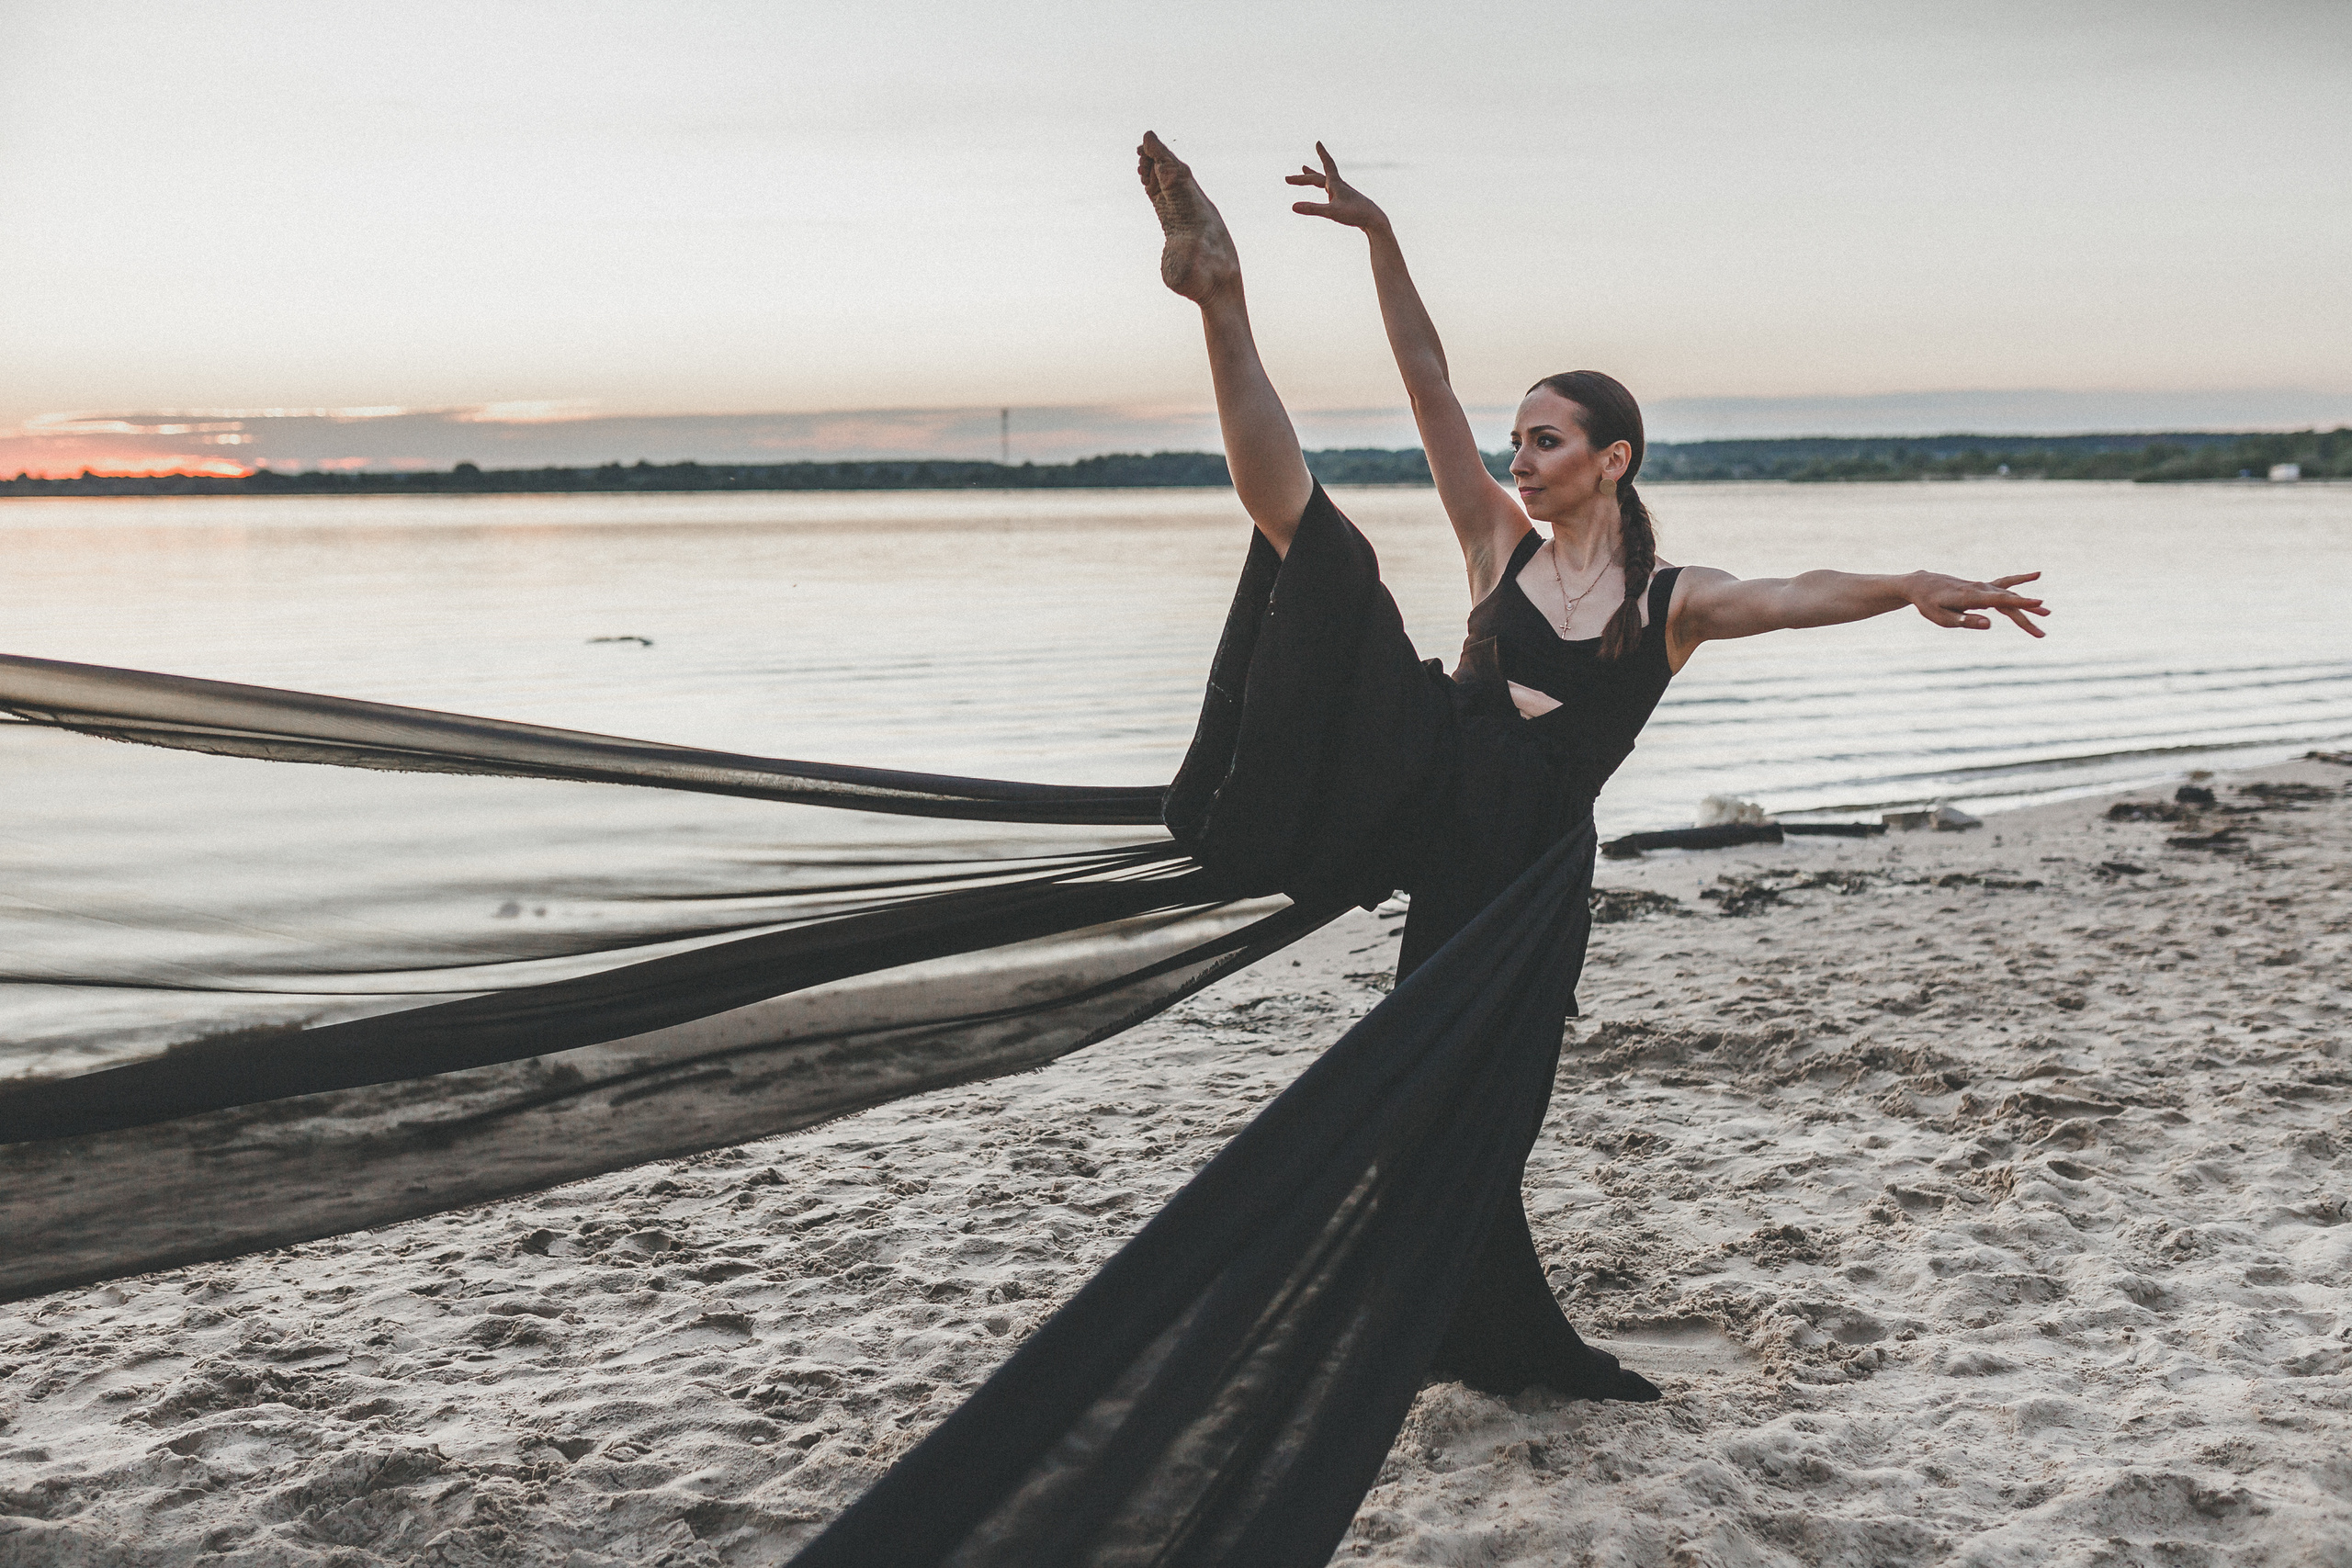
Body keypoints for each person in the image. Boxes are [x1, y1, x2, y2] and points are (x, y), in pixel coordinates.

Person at [1141, 130, 2049, 1402]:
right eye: (1518, 439)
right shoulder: (1493, 548)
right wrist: (1382, 237)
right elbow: (1424, 380)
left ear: (1612, 457)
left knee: (1480, 1121)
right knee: (1314, 540)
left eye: (1547, 440)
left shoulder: (1672, 603)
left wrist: (1909, 584)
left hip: (1522, 886)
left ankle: (1487, 1333)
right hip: (1427, 803)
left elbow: (1793, 590)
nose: (1519, 456)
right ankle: (1221, 302)